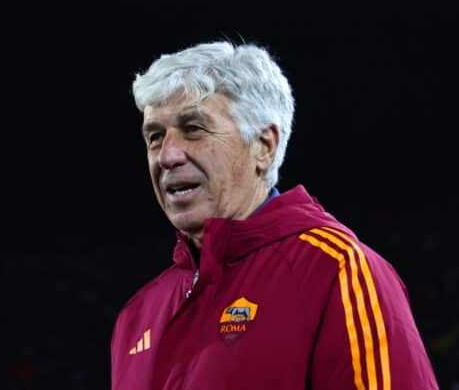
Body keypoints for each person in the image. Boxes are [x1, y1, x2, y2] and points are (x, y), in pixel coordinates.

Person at [110, 41, 439, 389]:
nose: (167, 156)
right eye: (155, 136)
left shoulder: (336, 269)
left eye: (194, 129)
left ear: (264, 146)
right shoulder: (137, 315)